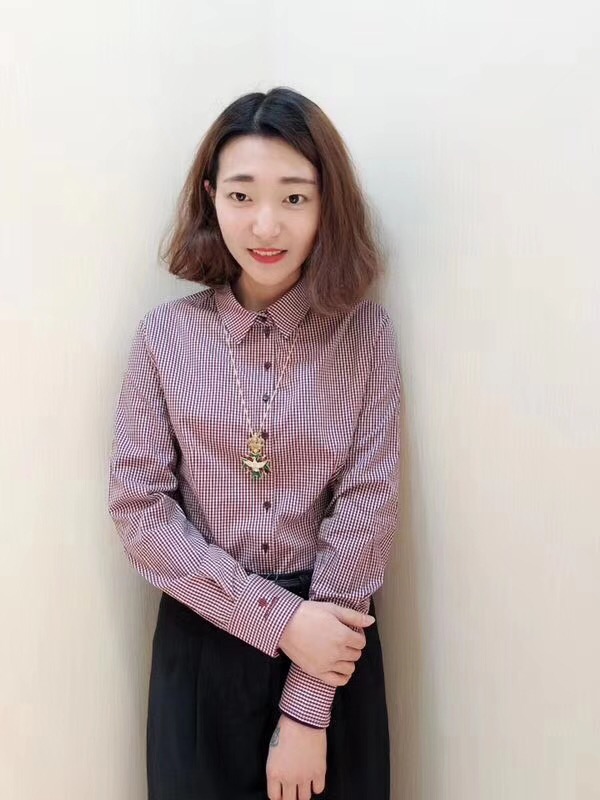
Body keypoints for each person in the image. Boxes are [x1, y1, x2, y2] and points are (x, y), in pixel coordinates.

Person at [107, 86, 402, 800]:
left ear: (327, 204)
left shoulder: (365, 336)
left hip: (332, 642)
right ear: (211, 197)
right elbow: (140, 511)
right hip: (202, 638)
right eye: (242, 195)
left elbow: (367, 511)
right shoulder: (164, 338)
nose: (266, 224)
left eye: (295, 198)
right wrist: (279, 620)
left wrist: (307, 711)